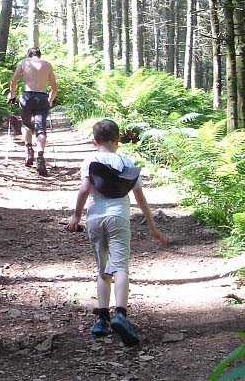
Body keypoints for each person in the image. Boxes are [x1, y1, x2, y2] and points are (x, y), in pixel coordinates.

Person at [65, 119, 168, 346]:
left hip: (95, 217)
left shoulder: (89, 160)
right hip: (119, 217)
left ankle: (102, 319)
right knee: (120, 266)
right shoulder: (126, 161)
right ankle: (120, 314)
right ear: (118, 139)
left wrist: (76, 216)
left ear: (94, 140)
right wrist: (152, 226)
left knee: (102, 269)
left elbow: (84, 190)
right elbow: (140, 197)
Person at [7, 47, 59, 176]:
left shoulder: (23, 63)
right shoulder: (47, 65)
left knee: (26, 124)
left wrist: (12, 95)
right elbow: (54, 88)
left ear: (29, 54)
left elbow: (13, 80)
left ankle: (29, 150)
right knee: (41, 129)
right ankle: (40, 157)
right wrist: (50, 100)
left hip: (26, 96)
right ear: (39, 55)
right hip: (42, 97)